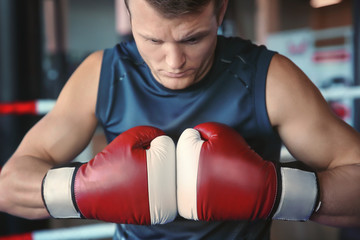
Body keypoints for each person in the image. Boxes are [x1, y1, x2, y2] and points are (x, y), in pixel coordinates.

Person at [0, 0, 360, 239]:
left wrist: (276, 194)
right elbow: (9, 187)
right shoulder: (103, 75)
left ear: (219, 11)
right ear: (128, 11)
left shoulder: (268, 79)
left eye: (194, 38)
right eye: (153, 39)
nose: (174, 61)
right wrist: (81, 190)